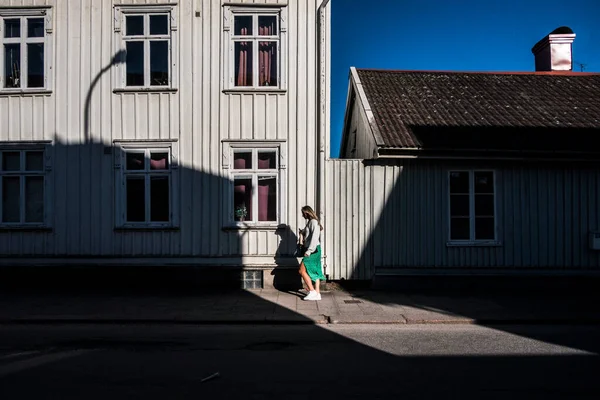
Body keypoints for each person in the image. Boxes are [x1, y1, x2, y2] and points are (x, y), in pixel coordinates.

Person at [297, 205, 325, 301]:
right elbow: (306, 232)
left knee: (301, 270)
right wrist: (302, 232)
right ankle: (317, 293)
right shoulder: (310, 222)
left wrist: (309, 251)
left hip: (313, 250)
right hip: (315, 249)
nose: (302, 215)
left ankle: (312, 291)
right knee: (315, 270)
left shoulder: (313, 222)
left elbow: (314, 237)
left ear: (306, 213)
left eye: (303, 213)